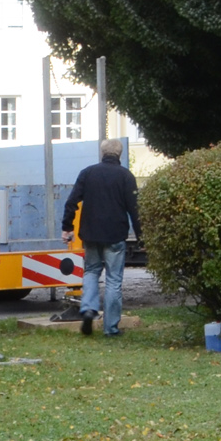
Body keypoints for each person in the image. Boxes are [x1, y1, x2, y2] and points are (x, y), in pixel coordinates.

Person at [60, 138, 139, 337]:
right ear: (119, 154)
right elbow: (135, 210)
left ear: (102, 153)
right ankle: (111, 328)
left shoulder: (87, 173)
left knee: (91, 271)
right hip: (114, 235)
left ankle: (88, 308)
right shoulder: (126, 176)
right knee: (113, 280)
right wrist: (142, 237)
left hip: (90, 234)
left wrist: (67, 227)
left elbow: (71, 202)